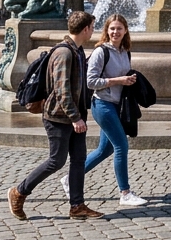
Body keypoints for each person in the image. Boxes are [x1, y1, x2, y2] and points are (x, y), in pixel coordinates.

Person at [8, 11, 104, 220]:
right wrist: (75, 118)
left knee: (79, 160)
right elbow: (62, 90)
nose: (93, 31)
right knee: (56, 161)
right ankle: (19, 192)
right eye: (92, 27)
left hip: (75, 115)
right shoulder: (64, 53)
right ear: (86, 29)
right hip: (58, 117)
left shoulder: (76, 51)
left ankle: (77, 206)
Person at [76, 14, 147, 207]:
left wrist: (130, 80)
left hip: (117, 105)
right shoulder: (101, 52)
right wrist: (118, 81)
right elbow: (91, 82)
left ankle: (71, 179)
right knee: (121, 146)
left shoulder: (125, 51)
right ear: (107, 30)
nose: (115, 32)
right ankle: (125, 193)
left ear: (125, 31)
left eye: (119, 28)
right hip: (103, 105)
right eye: (112, 28)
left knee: (104, 149)